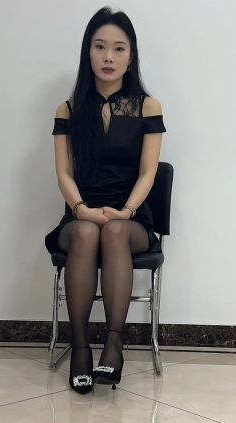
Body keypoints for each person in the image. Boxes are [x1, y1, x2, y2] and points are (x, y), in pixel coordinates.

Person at [44, 7, 166, 394]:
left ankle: (114, 345)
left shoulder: (148, 107)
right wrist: (81, 209)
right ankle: (80, 349)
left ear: (131, 56)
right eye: (100, 47)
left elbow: (148, 172)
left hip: (131, 218)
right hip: (80, 213)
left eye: (118, 48)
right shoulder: (69, 110)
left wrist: (126, 211)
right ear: (88, 52)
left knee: (113, 232)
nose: (108, 56)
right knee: (84, 233)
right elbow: (64, 173)